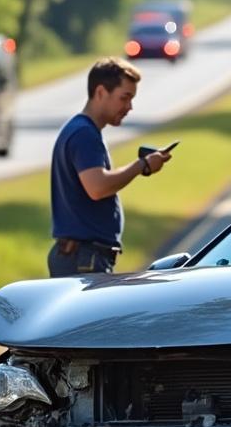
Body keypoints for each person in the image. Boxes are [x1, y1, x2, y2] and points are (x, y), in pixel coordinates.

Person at [48, 57, 170, 277]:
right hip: (83, 259)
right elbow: (97, 188)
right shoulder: (84, 134)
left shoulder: (84, 130)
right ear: (101, 92)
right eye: (125, 98)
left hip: (84, 257)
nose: (129, 107)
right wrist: (142, 166)